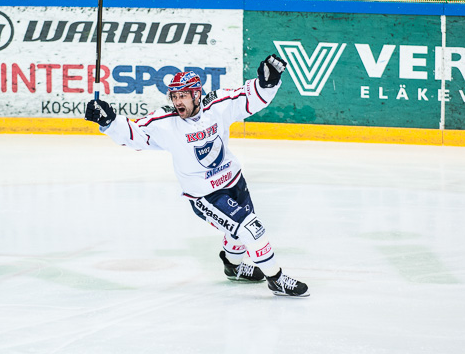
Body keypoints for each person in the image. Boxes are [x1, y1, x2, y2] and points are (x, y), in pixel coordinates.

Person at [84, 55, 310, 297]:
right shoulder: (166, 123)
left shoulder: (217, 105)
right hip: (205, 196)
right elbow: (134, 133)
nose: (177, 101)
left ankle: (232, 267)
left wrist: (267, 83)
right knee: (251, 230)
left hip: (234, 181)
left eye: (182, 95)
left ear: (196, 94)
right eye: (174, 96)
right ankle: (275, 279)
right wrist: (109, 121)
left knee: (237, 233)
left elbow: (249, 99)